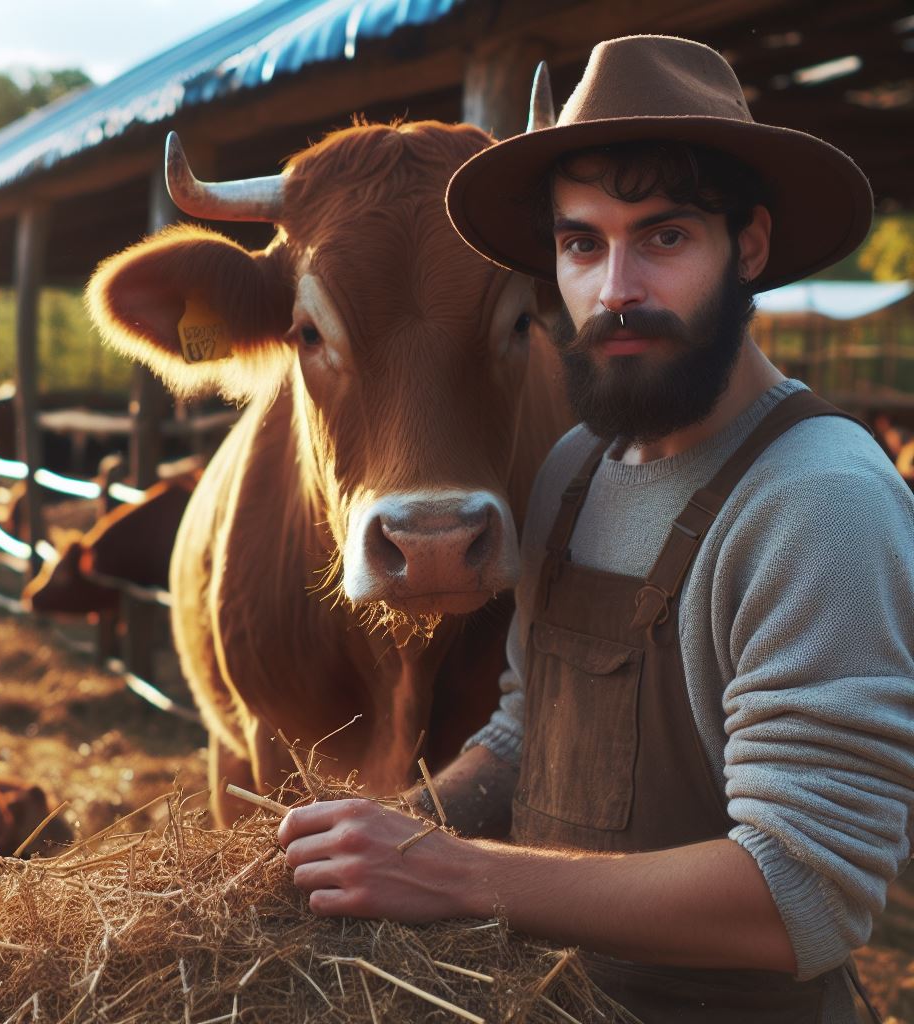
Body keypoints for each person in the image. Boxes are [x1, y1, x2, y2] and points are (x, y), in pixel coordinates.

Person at [278, 34, 914, 1022]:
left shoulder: (818, 498)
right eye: (581, 243)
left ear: (746, 246)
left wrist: (457, 876)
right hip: (564, 1000)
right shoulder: (576, 469)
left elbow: (804, 897)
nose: (614, 289)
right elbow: (526, 733)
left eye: (663, 238)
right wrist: (388, 833)